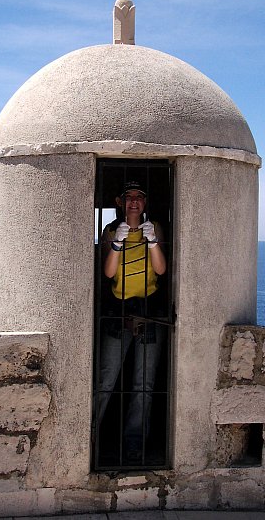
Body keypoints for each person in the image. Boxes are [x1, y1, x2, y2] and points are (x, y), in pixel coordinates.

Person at [97, 181, 167, 463]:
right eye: (129, 197)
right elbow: (108, 272)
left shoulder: (156, 228)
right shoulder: (111, 231)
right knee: (106, 377)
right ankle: (91, 437)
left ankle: (134, 443)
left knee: (144, 384)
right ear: (119, 200)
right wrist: (116, 244)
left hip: (149, 310)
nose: (134, 202)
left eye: (139, 197)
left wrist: (152, 242)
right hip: (118, 311)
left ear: (145, 202)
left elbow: (161, 269)